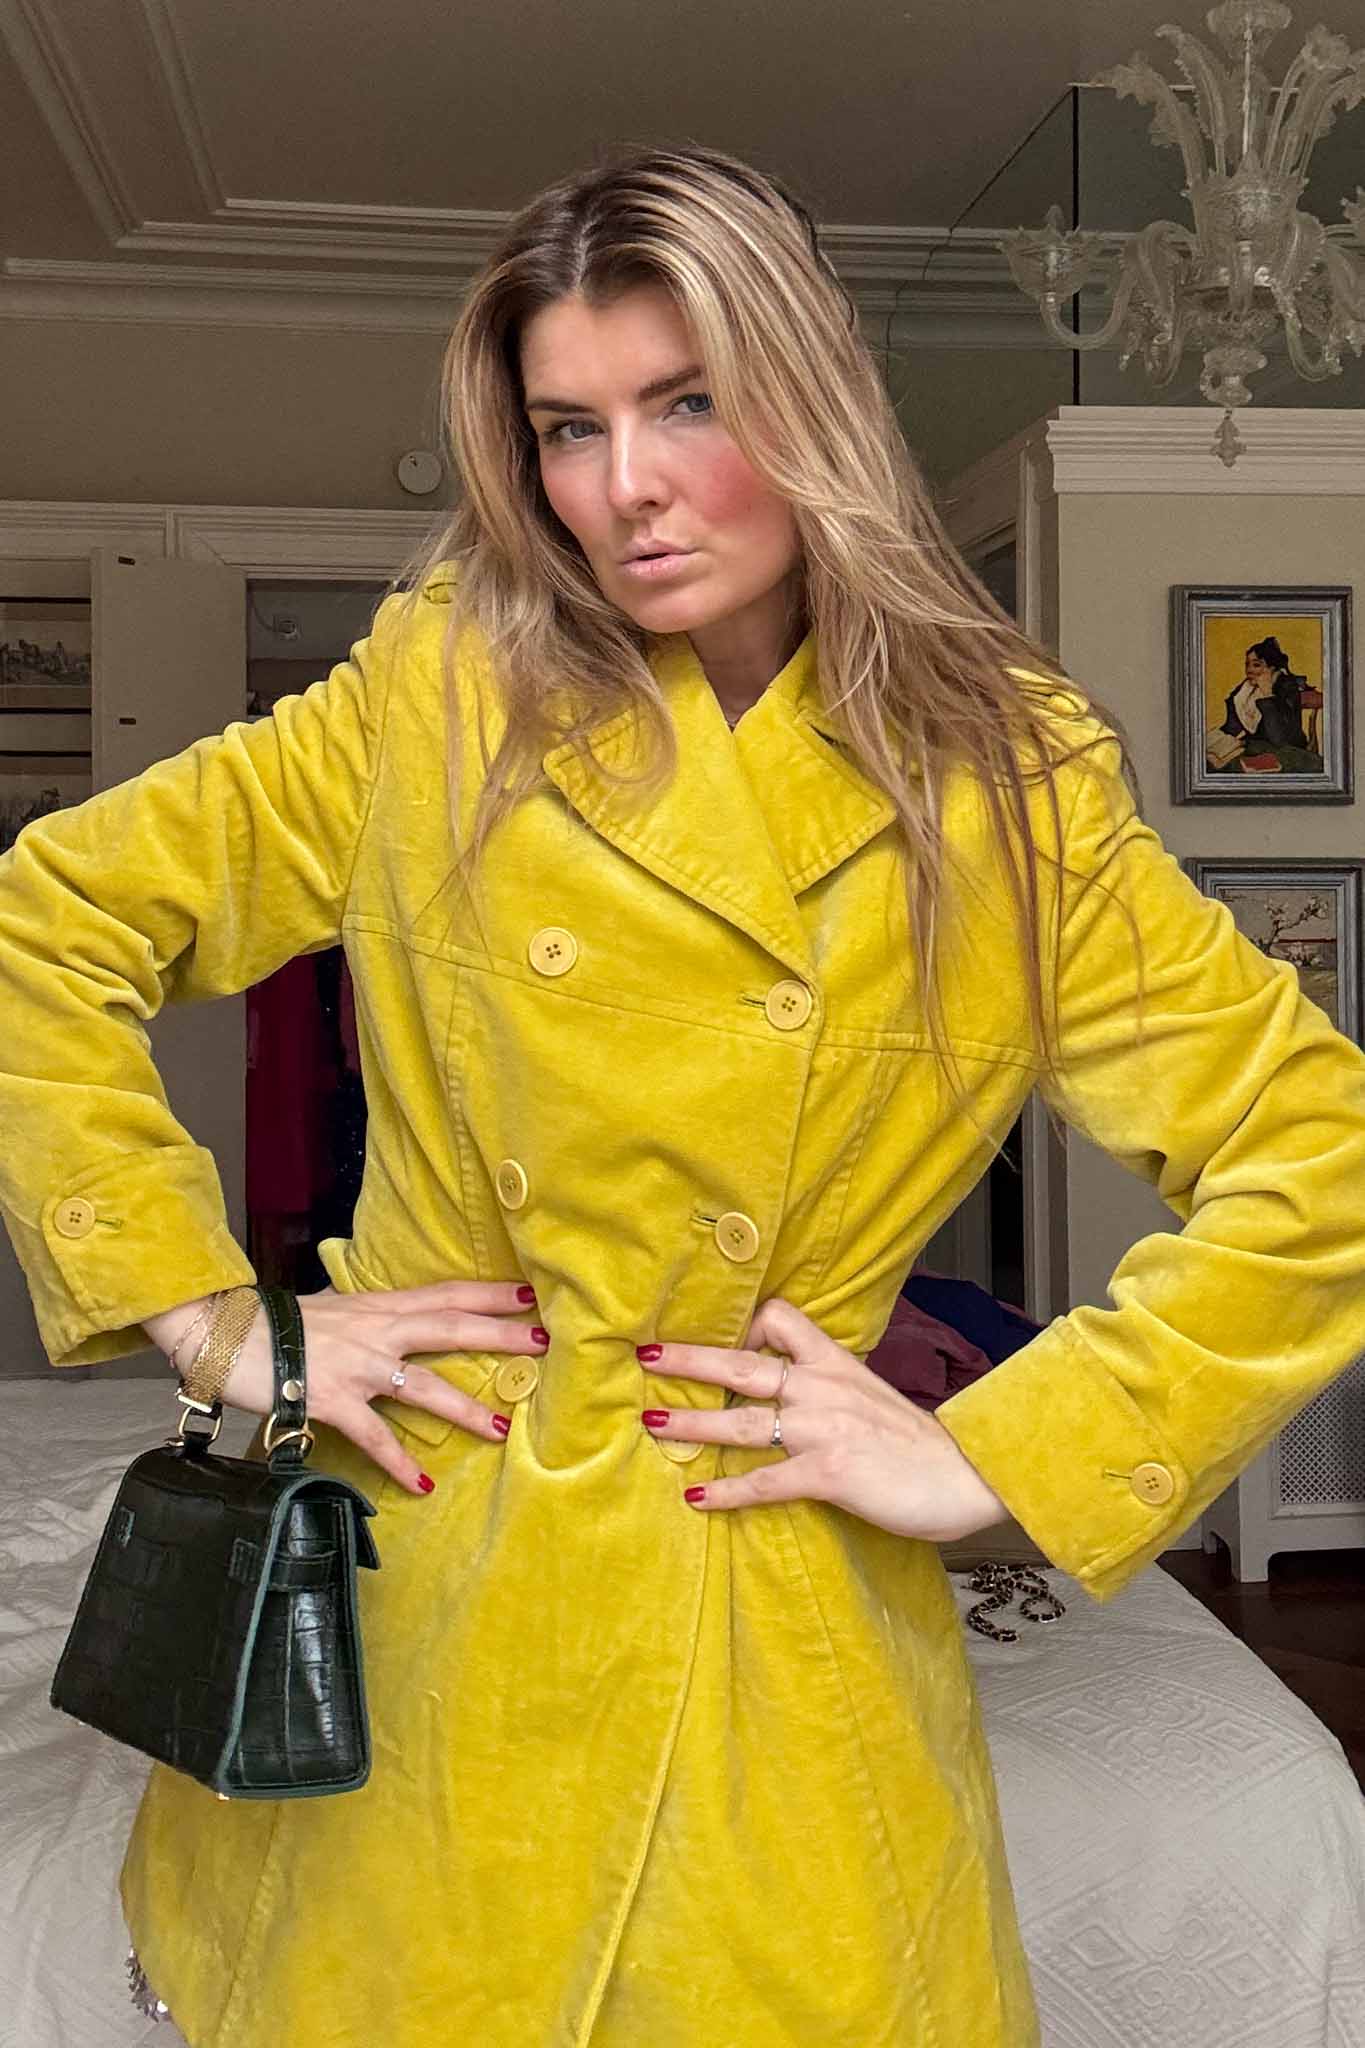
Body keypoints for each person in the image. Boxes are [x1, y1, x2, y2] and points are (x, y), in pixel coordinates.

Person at [2, 144, 1364, 2048]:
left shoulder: (1005, 781)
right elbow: (48, 918)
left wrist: (1000, 1455)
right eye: (569, 427)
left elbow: (1319, 1153)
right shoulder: (437, 696)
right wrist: (218, 1318)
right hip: (433, 1569)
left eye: (688, 403)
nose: (623, 485)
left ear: (812, 401)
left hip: (774, 1600)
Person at [1213, 635, 1323, 774]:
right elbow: (1232, 728)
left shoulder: (1287, 688)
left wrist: (1267, 694)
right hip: (1255, 748)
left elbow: (1279, 739)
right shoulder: (1243, 691)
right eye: (1247, 664)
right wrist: (1216, 741)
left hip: (1287, 750)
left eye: (1256, 665)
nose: (1249, 670)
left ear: (1272, 668)